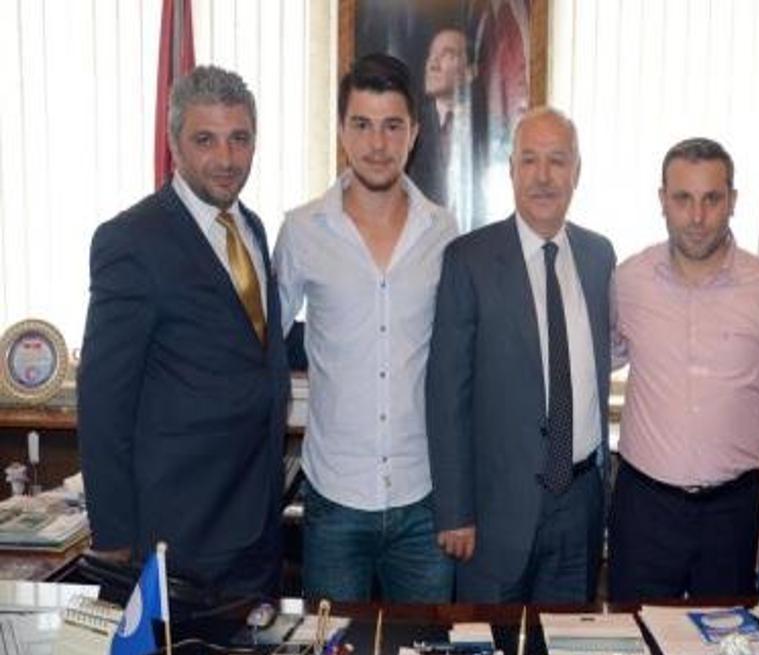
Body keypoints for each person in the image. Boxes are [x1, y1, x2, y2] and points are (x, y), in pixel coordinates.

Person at [78, 66, 288, 597]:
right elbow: (103, 400)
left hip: (257, 524)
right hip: (179, 533)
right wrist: (113, 536)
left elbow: (251, 347)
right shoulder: (131, 240)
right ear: (174, 144)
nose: (226, 158)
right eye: (205, 140)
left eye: (239, 138)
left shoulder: (253, 227)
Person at [274, 54, 458, 602]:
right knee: (333, 652)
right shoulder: (302, 229)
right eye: (362, 124)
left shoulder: (444, 231)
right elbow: (259, 346)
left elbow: (460, 365)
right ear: (341, 131)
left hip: (424, 500)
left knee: (424, 654)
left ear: (414, 133)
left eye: (392, 125)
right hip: (333, 499)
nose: (377, 144)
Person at [426, 107, 615, 602]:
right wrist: (454, 511)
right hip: (493, 510)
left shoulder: (599, 257)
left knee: (565, 644)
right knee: (488, 645)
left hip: (579, 504)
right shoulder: (468, 259)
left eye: (557, 160)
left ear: (577, 171)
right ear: (511, 170)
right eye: (529, 160)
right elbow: (446, 395)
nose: (543, 176)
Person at [609, 138, 759, 602]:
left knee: (728, 641)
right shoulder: (628, 281)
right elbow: (599, 359)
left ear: (732, 201)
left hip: (733, 514)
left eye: (711, 199)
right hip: (645, 509)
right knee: (634, 638)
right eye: (683, 199)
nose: (697, 217)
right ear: (663, 200)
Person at [408, 26, 486, 231]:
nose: (433, 64)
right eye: (431, 55)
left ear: (470, 72)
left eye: (447, 54)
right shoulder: (410, 127)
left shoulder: (488, 128)